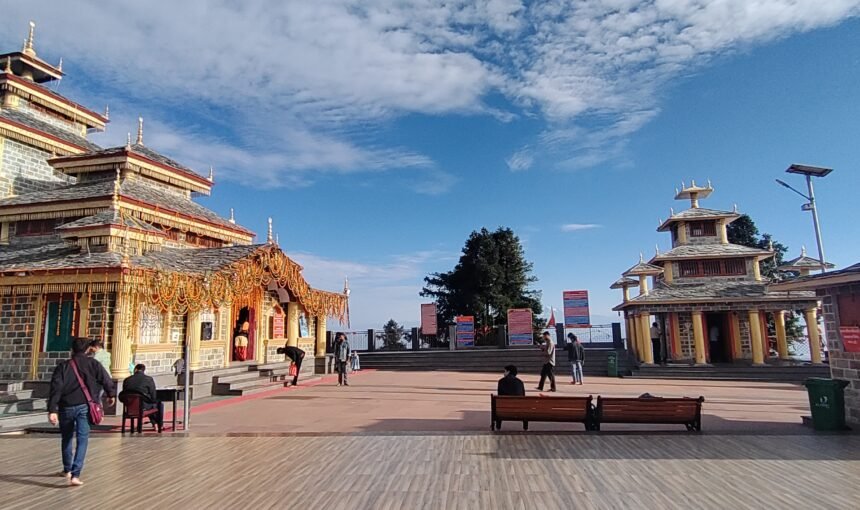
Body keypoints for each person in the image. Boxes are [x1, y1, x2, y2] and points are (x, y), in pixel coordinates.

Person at [48, 337, 116, 487]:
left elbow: (56, 388)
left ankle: (67, 469)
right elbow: (106, 380)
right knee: (82, 439)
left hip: (65, 407)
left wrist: (52, 409)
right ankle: (75, 474)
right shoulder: (93, 364)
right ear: (87, 350)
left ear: (72, 350)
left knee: (66, 438)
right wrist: (111, 394)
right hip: (85, 407)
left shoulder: (63, 366)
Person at [120, 364, 164, 433]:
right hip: (143, 406)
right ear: (144, 370)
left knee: (149, 404)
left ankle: (155, 423)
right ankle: (159, 424)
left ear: (135, 370)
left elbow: (124, 393)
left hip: (129, 406)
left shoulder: (127, 380)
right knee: (158, 404)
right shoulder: (148, 379)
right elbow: (153, 395)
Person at [496, 364, 526, 430]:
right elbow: (523, 396)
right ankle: (525, 427)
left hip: (503, 409)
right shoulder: (520, 382)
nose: (504, 373)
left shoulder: (501, 381)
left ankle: (498, 426)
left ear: (508, 372)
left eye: (505, 371)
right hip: (519, 409)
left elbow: (499, 395)